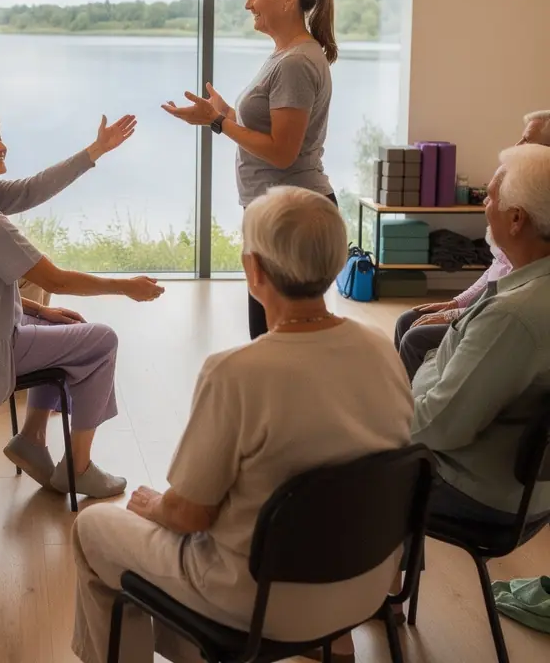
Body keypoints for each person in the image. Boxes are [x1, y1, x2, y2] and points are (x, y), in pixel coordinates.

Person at [72, 188, 412, 663]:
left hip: (260, 603)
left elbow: (189, 516)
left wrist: (154, 506)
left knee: (93, 527)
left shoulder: (235, 372)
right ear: (337, 263)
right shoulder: (382, 349)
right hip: (366, 586)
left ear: (254, 270)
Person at [0, 117, 164, 499]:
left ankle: (31, 439)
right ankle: (79, 468)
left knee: (61, 327)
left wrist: (40, 312)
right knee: (102, 340)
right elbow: (57, 281)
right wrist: (125, 286)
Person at [162, 0, 338, 341]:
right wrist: (225, 112)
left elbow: (282, 152)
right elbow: (269, 131)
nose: (247, 5)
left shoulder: (295, 62)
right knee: (271, 335)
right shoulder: (286, 55)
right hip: (277, 210)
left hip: (291, 215)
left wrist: (217, 121)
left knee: (274, 337)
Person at [412, 143, 550, 526]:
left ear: (517, 219)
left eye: (490, 198)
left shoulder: (512, 316)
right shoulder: (528, 290)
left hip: (479, 490)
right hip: (525, 487)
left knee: (337, 462)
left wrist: (386, 409)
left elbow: (438, 427)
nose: (484, 207)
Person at [393, 109, 550, 378]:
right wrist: (455, 304)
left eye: (527, 141)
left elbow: (507, 302)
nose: (518, 145)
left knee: (415, 339)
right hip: (490, 307)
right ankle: (402, 395)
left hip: (498, 316)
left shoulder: (535, 226)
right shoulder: (519, 211)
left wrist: (457, 314)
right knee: (406, 320)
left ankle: (410, 400)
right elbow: (497, 270)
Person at [0, 110, 137, 305]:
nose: (2, 147)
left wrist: (98, 148)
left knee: (35, 269)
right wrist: (126, 287)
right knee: (37, 274)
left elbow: (37, 187)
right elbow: (55, 281)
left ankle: (33, 323)